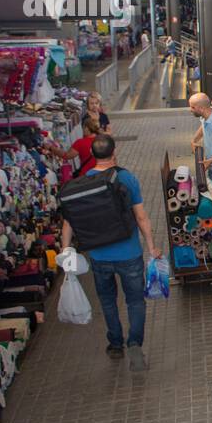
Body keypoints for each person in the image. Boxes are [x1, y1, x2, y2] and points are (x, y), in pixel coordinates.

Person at [59, 133, 161, 371]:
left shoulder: (81, 184)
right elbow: (141, 216)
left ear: (92, 155)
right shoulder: (126, 178)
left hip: (98, 256)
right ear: (114, 152)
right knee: (135, 301)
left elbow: (68, 222)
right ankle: (134, 343)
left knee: (107, 301)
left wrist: (65, 250)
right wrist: (152, 246)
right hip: (129, 253)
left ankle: (115, 343)